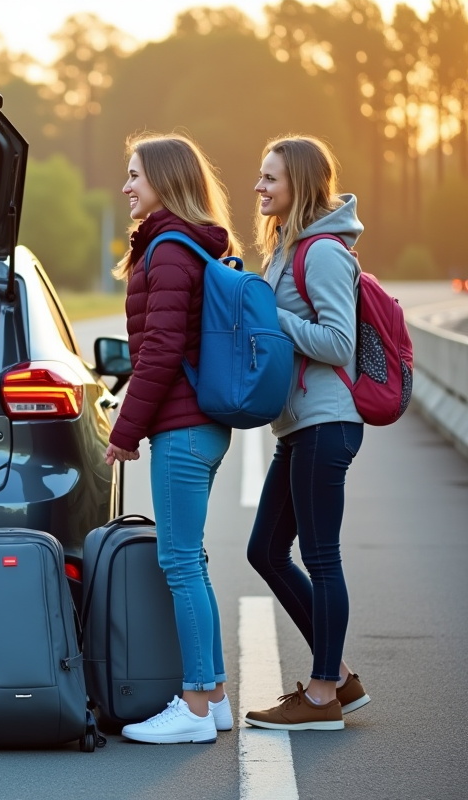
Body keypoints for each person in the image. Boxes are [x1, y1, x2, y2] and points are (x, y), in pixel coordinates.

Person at [106, 133, 238, 745]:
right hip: (198, 426)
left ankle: (191, 706)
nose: (126, 186)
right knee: (192, 562)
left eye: (135, 175)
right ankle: (211, 698)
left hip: (181, 429)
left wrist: (125, 431)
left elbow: (158, 353)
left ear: (164, 179)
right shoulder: (186, 246)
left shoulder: (169, 250)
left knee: (181, 563)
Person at [244, 136, 369, 731]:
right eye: (260, 177)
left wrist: (272, 317)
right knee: (264, 551)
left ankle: (322, 698)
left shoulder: (321, 252)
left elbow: (338, 343)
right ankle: (340, 677)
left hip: (326, 423)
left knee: (321, 557)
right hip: (298, 425)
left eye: (270, 178)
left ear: (300, 184)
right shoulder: (286, 248)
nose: (259, 187)